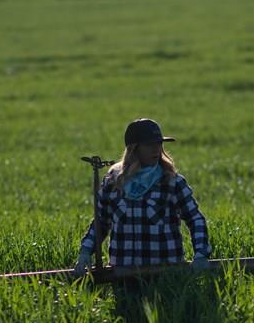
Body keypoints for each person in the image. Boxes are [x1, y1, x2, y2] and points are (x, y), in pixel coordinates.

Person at [74, 118, 212, 276]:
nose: (156, 149)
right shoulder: (114, 182)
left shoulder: (172, 182)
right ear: (134, 149)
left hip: (165, 275)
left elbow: (195, 219)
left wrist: (201, 253)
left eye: (159, 144)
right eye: (149, 145)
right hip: (122, 278)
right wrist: (86, 251)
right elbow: (101, 222)